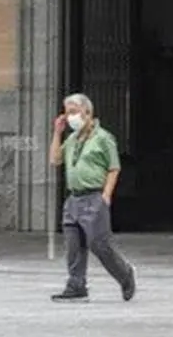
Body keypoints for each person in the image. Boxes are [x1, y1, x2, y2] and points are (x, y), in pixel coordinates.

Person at [49, 93, 136, 303]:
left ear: (87, 113)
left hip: (93, 196)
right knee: (74, 244)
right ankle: (76, 285)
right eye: (67, 112)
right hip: (73, 198)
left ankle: (125, 274)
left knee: (99, 244)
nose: (69, 117)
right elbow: (55, 160)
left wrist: (106, 196)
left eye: (73, 112)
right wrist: (57, 133)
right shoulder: (72, 139)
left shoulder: (103, 138)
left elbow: (114, 168)